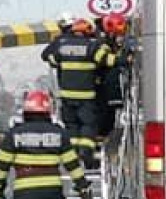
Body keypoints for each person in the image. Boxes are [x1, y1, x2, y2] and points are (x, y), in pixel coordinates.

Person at [41, 18, 114, 176]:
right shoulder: (93, 46)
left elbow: (47, 56)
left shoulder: (61, 44)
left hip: (66, 96)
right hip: (87, 96)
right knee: (88, 125)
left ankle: (73, 158)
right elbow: (108, 61)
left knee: (72, 126)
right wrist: (112, 49)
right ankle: (86, 155)